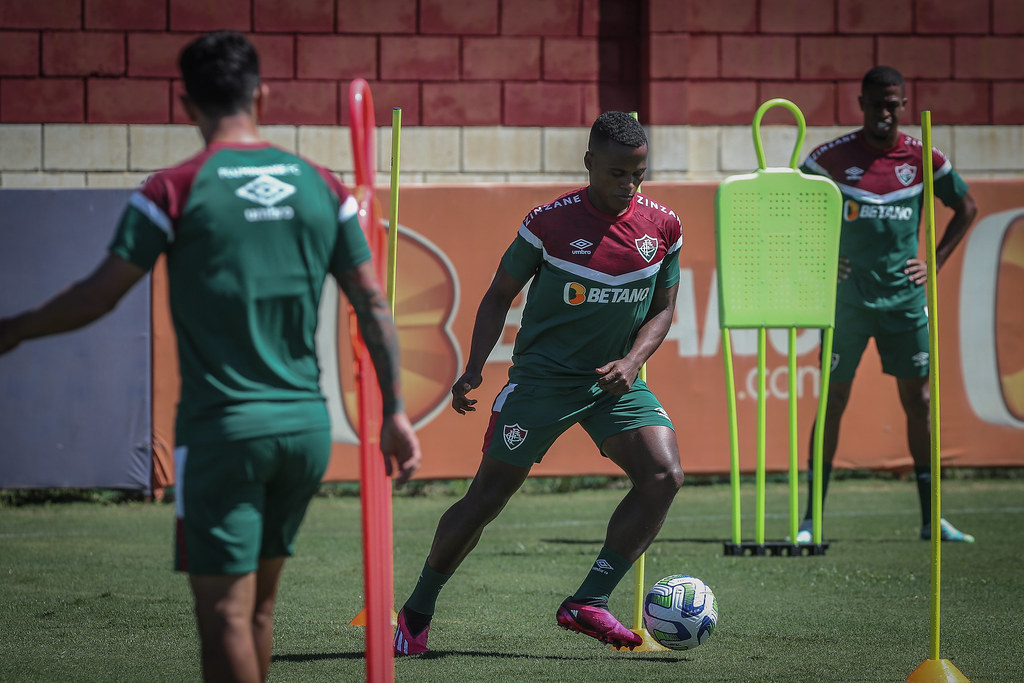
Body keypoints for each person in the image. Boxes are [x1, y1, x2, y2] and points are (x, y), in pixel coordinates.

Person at [0, 31, 421, 682]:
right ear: (264, 94)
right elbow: (373, 306)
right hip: (303, 432)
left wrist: (16, 328)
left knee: (224, 613)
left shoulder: (171, 190)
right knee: (258, 612)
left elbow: (97, 297)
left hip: (223, 431)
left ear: (183, 102)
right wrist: (395, 410)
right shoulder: (323, 187)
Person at [392, 111, 685, 655]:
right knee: (486, 499)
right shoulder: (547, 224)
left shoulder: (663, 226)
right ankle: (414, 616)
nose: (629, 185)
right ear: (590, 164)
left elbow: (664, 311)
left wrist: (633, 361)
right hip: (542, 384)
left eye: (639, 174)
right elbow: (499, 295)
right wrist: (476, 366)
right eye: (618, 173)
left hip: (613, 383)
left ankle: (588, 602)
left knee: (664, 474)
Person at [796, 65, 978, 543]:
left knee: (918, 402)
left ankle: (930, 518)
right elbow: (792, 203)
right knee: (833, 401)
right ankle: (810, 522)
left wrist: (933, 262)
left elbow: (967, 208)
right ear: (861, 103)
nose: (884, 112)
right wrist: (820, 260)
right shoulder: (832, 157)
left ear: (903, 105)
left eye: (893, 104)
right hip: (847, 304)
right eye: (876, 103)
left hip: (903, 303)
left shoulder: (923, 158)